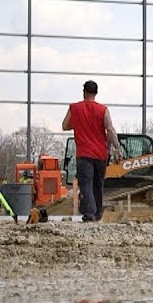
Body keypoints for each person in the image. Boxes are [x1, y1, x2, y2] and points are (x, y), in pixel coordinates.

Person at [61, 80, 123, 222]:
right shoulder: (103, 110)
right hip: (101, 154)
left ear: (84, 92)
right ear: (96, 93)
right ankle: (98, 213)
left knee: (86, 184)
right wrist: (117, 148)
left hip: (84, 154)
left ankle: (89, 214)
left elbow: (65, 126)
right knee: (98, 184)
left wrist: (78, 123)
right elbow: (110, 129)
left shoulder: (74, 108)